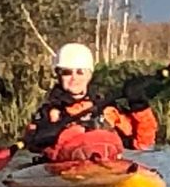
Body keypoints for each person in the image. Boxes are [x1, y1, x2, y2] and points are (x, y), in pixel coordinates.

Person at [23, 42, 158, 162]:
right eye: (67, 72)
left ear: (89, 75)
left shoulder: (107, 110)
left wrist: (139, 106)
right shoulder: (50, 113)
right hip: (67, 170)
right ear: (58, 75)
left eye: (80, 72)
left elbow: (143, 144)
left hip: (107, 167)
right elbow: (32, 144)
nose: (74, 78)